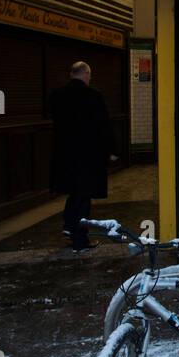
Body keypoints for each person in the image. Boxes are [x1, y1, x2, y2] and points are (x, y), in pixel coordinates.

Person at [49, 61, 117, 253]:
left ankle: (69, 227)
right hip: (88, 156)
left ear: (71, 74)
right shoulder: (93, 96)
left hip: (65, 156)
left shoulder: (57, 96)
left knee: (74, 193)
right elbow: (103, 125)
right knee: (84, 196)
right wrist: (111, 150)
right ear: (86, 74)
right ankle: (80, 239)